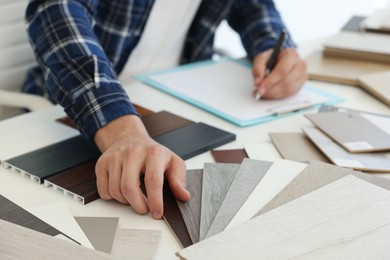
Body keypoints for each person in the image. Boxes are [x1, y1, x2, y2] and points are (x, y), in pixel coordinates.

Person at [24, 0, 307, 220]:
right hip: (78, 105)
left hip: (177, 104)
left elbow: (254, 8)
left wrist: (274, 47)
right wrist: (122, 131)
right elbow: (55, 11)